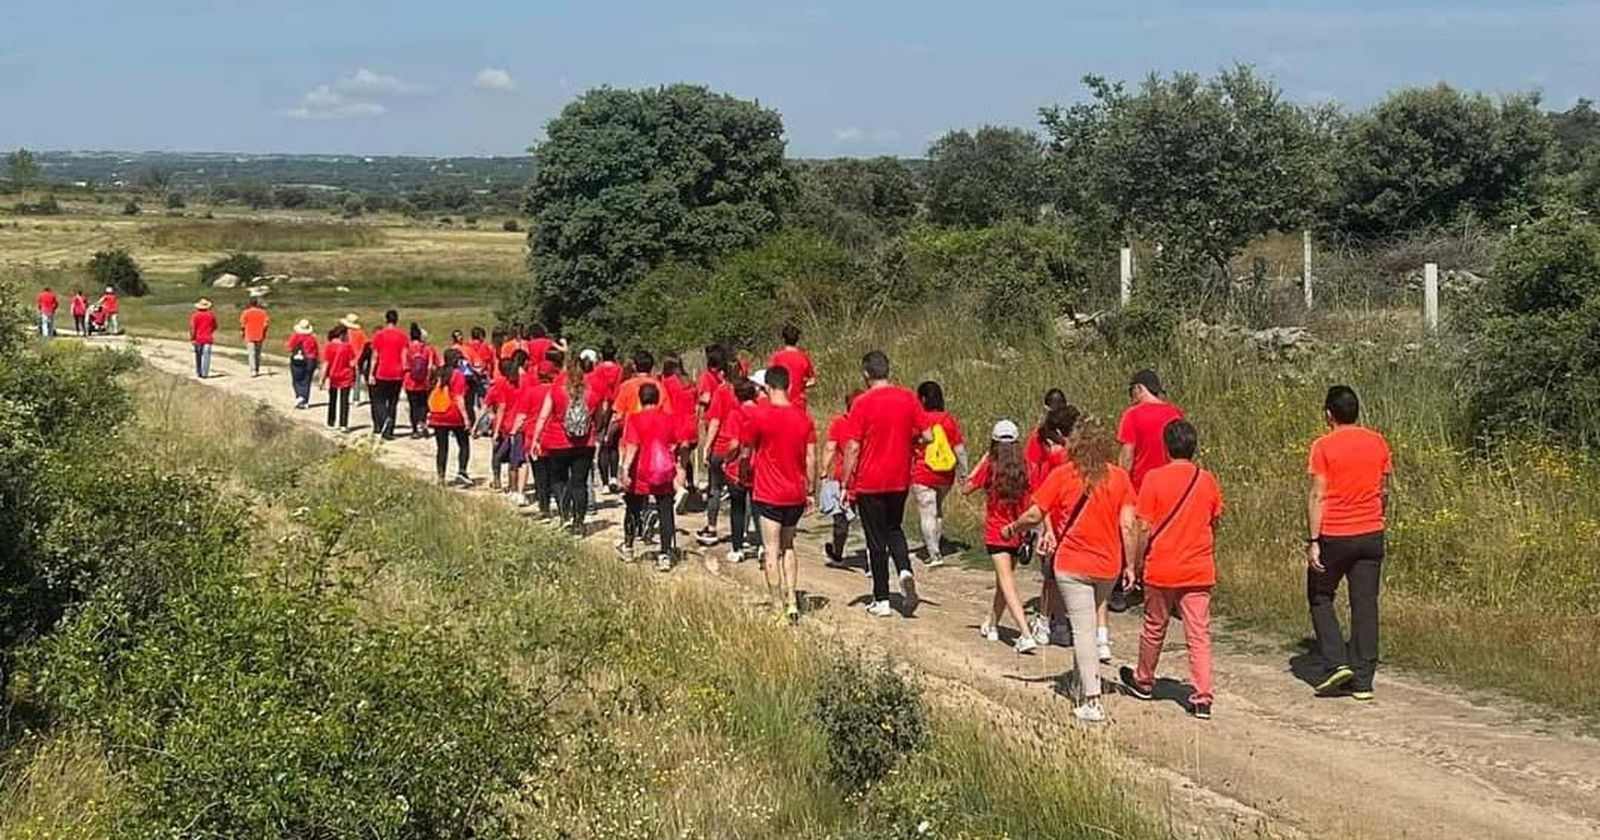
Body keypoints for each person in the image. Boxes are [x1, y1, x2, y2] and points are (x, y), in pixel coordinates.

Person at [1002, 420, 1135, 723]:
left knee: (1083, 629)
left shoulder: (1063, 475)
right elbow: (1128, 524)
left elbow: (1037, 512)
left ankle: (1092, 700)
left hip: (1073, 564)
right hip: (1108, 565)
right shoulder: (1119, 478)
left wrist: (1014, 527)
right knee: (1088, 622)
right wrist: (1130, 564)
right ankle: (1081, 679)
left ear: (1075, 444)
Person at [1120, 419, 1224, 721]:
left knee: (1154, 626)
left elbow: (1143, 527)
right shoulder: (1207, 479)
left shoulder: (1153, 479)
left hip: (1162, 567)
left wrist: (1134, 564)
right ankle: (1203, 695)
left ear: (1166, 447)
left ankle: (1144, 679)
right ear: (1194, 447)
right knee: (1198, 632)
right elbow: (1215, 519)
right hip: (1198, 567)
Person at [1306, 385, 1392, 701]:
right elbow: (1384, 490)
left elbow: (1317, 494)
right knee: (1365, 604)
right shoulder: (1378, 441)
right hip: (1371, 532)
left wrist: (1313, 540)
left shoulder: (1323, 446)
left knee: (1320, 594)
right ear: (1356, 411)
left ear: (1329, 414)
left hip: (1335, 533)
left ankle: (1336, 660)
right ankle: (1364, 679)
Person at [841, 350, 932, 618]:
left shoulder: (861, 403)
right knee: (894, 528)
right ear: (887, 370)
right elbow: (927, 435)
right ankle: (904, 569)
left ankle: (881, 597)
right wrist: (910, 442)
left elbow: (853, 447)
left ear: (866, 373)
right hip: (899, 476)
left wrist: (846, 480)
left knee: (875, 539)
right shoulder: (907, 398)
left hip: (870, 479)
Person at [738, 365, 817, 622]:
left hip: (769, 491)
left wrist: (743, 473)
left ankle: (776, 605)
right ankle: (793, 600)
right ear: (790, 386)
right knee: (789, 546)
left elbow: (746, 450)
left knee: (771, 549)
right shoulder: (804, 418)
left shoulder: (759, 415)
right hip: (795, 491)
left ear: (768, 387)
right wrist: (811, 490)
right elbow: (811, 457)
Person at [1113, 369, 1184, 613]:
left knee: (1129, 537)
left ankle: (1125, 587)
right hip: (1169, 485)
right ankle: (1171, 594)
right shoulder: (1174, 413)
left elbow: (1127, 454)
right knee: (1166, 539)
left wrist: (1119, 483)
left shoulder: (1132, 415)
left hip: (1138, 487)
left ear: (1139, 388)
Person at [964, 419, 1037, 654]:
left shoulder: (991, 467)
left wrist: (983, 459)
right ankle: (992, 624)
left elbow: (966, 487)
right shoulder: (1027, 468)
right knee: (1002, 583)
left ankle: (1025, 634)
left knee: (1006, 583)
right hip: (1019, 532)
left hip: (997, 532)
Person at [530, 354, 605, 536]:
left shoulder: (556, 390)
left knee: (558, 480)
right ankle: (579, 523)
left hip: (558, 442)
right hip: (585, 443)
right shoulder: (593, 394)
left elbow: (543, 416)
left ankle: (565, 517)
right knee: (579, 483)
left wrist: (536, 439)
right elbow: (599, 420)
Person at [618, 383, 680, 571]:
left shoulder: (635, 419)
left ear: (640, 398)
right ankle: (665, 553)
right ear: (657, 398)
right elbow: (674, 444)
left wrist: (625, 469)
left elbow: (632, 446)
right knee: (665, 510)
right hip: (662, 470)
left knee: (633, 508)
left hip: (641, 471)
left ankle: (628, 547)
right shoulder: (668, 419)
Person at [910, 380, 968, 567]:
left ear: (923, 399)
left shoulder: (919, 420)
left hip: (923, 472)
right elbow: (959, 449)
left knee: (927, 513)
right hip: (945, 474)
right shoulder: (949, 420)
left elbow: (908, 445)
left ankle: (934, 554)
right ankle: (937, 545)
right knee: (937, 510)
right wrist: (963, 472)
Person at [720, 378, 763, 565]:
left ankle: (737, 548)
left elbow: (734, 444)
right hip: (761, 465)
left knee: (738, 508)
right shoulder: (764, 412)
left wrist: (726, 460)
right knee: (759, 507)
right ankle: (763, 545)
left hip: (738, 467)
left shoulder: (736, 414)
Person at [819, 389, 862, 568]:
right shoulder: (871, 424)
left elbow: (830, 448)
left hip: (842, 477)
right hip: (866, 478)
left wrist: (823, 471)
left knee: (840, 518)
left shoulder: (840, 423)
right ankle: (872, 560)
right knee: (869, 522)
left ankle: (837, 552)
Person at [426, 349, 472, 487]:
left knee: (442, 448)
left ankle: (441, 476)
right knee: (463, 444)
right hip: (453, 414)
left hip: (438, 414)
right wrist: (466, 418)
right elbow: (459, 398)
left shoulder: (438, 373)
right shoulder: (458, 375)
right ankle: (462, 471)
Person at [484, 359, 525, 496]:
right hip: (520, 425)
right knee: (515, 459)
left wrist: (494, 430)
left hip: (504, 426)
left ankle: (498, 480)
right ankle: (513, 487)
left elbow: (499, 408)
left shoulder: (499, 384)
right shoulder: (522, 383)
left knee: (497, 454)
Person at [367, 310, 408, 440]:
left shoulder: (379, 335)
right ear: (397, 320)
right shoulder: (402, 336)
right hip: (397, 373)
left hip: (382, 371)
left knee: (379, 401)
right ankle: (389, 431)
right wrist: (404, 370)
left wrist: (371, 373)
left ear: (386, 320)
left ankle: (385, 419)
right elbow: (404, 356)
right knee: (393, 402)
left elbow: (375, 356)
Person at [591, 342, 625, 492]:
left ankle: (604, 483)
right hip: (616, 406)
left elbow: (595, 388)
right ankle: (613, 477)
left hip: (600, 407)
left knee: (602, 446)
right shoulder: (619, 370)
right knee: (614, 444)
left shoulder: (597, 370)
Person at [403, 323, 440, 439]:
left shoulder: (407, 348)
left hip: (410, 381)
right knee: (423, 405)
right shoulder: (427, 349)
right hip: (424, 381)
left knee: (413, 405)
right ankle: (422, 424)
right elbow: (430, 366)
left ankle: (415, 429)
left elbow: (404, 365)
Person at [768, 324, 817, 409]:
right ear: (797, 339)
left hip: (780, 401)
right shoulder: (804, 357)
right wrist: (802, 384)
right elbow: (812, 380)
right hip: (798, 402)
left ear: (784, 339)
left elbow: (770, 378)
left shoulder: (777, 357)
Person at [319, 325, 355, 432]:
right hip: (346, 376)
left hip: (334, 376)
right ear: (342, 335)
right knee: (344, 401)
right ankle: (343, 424)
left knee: (332, 400)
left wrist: (322, 379)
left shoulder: (329, 346)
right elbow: (352, 363)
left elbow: (326, 364)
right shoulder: (347, 347)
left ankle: (331, 421)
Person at [285, 319, 319, 409]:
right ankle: (305, 400)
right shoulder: (312, 338)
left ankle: (300, 396)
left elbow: (289, 347)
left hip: (298, 360)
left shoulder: (296, 336)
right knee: (307, 381)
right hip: (311, 360)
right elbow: (316, 350)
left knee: (297, 380)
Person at [239, 298, 271, 376]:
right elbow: (266, 324)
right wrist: (264, 332)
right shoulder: (263, 313)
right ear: (257, 304)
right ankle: (257, 368)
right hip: (260, 334)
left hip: (249, 334)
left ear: (250, 304)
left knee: (251, 353)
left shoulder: (246, 312)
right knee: (258, 353)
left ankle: (253, 370)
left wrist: (242, 332)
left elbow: (243, 324)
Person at [342, 314, 369, 406]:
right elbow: (365, 345)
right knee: (356, 378)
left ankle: (348, 396)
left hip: (349, 356)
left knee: (350, 378)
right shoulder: (360, 333)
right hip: (357, 356)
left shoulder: (346, 333)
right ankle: (356, 398)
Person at [189, 298, 218, 379]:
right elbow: (215, 326)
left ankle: (199, 371)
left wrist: (192, 338)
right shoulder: (211, 315)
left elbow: (193, 328)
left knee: (198, 355)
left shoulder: (195, 315)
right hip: (208, 338)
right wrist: (210, 331)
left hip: (198, 338)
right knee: (206, 356)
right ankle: (205, 373)